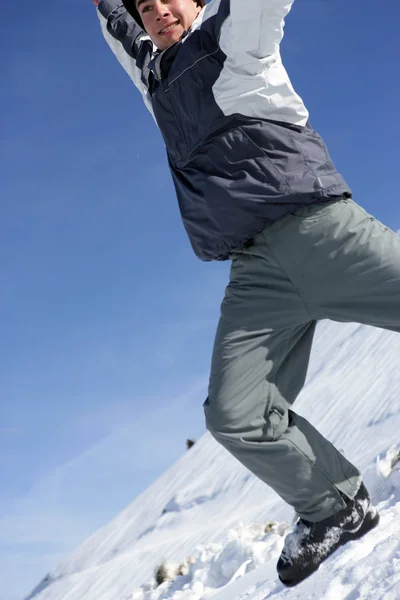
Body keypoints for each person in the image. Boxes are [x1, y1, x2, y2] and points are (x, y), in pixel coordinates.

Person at [93, 0, 399, 586]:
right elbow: (115, 26)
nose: (158, 12)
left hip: (321, 232)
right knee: (235, 413)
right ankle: (334, 504)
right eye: (146, 6)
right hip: (256, 273)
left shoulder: (235, 35)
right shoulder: (153, 77)